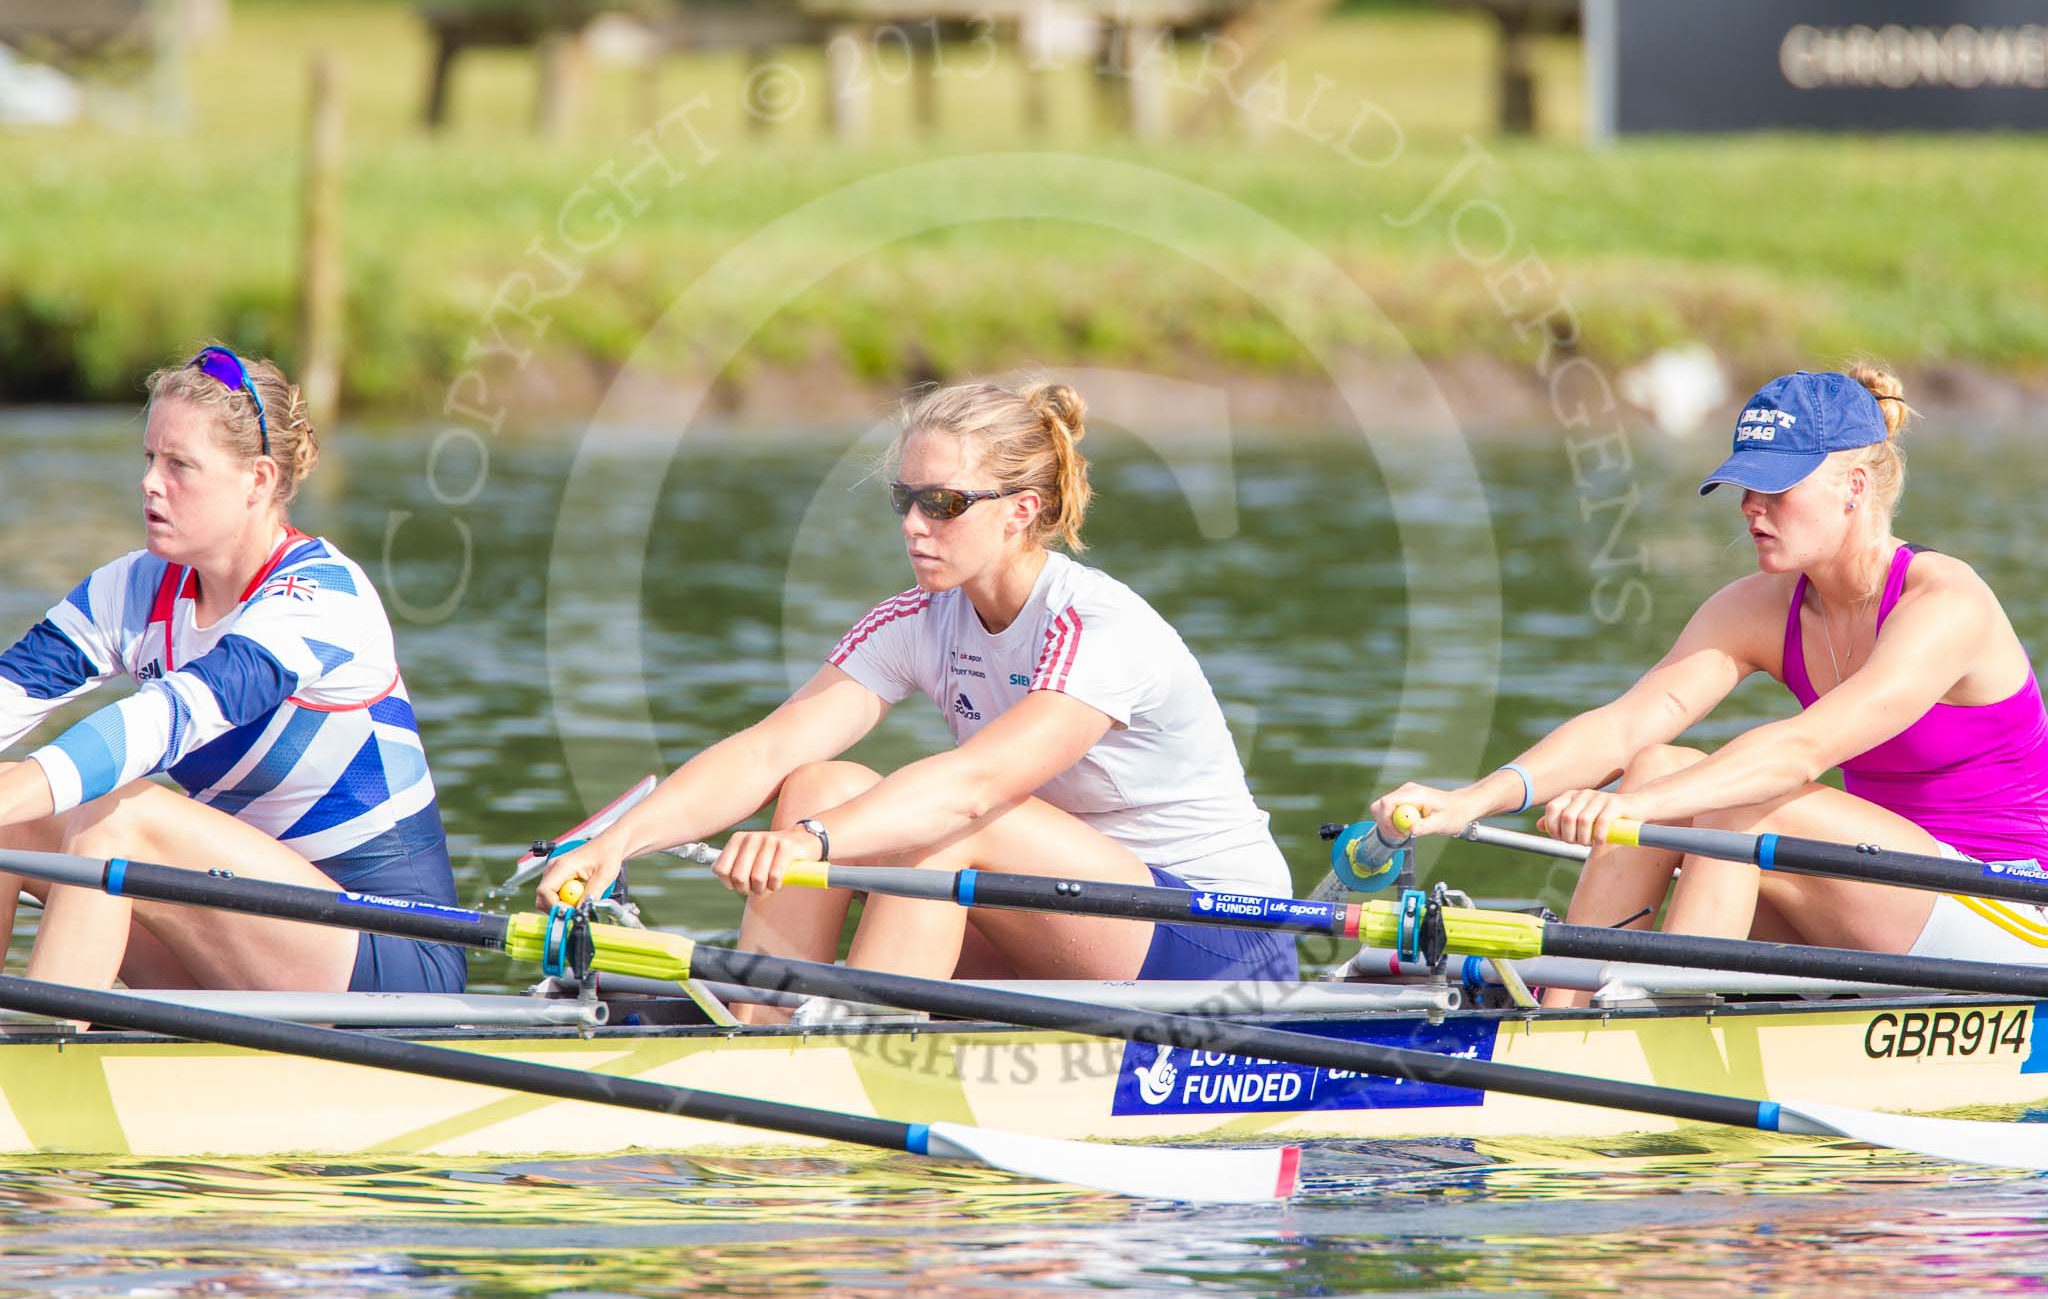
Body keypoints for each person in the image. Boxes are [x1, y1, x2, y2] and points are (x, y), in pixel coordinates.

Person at [539, 380, 1296, 1016]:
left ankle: (857, 1055)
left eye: (943, 503)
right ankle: (759, 1028)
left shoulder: (1098, 628)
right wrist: (621, 841)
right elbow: (771, 747)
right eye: (907, 497)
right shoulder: (917, 620)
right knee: (818, 782)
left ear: (1021, 511)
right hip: (1068, 927)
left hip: (1220, 941)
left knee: (942, 828)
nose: (912, 524)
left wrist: (812, 842)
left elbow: (973, 790)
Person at [1369, 366, 2048, 1002]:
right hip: (1883, 899)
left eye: (1777, 488)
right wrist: (1471, 801)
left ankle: (1661, 1021)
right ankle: (1562, 1009)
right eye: (1746, 486)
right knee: (1657, 762)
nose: (1752, 507)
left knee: (1742, 799)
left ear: (1855, 489)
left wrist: (1638, 809)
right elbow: (1626, 724)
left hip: (2006, 913)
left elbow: (1798, 753)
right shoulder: (1762, 606)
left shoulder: (1945, 602)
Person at [0, 345, 464, 994]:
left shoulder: (323, 600)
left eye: (180, 465)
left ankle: (29, 1077)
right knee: (13, 806)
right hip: (246, 929)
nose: (150, 482)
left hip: (393, 957)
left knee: (116, 816)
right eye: (150, 459)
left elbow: (165, 719)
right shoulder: (131, 591)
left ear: (259, 481)